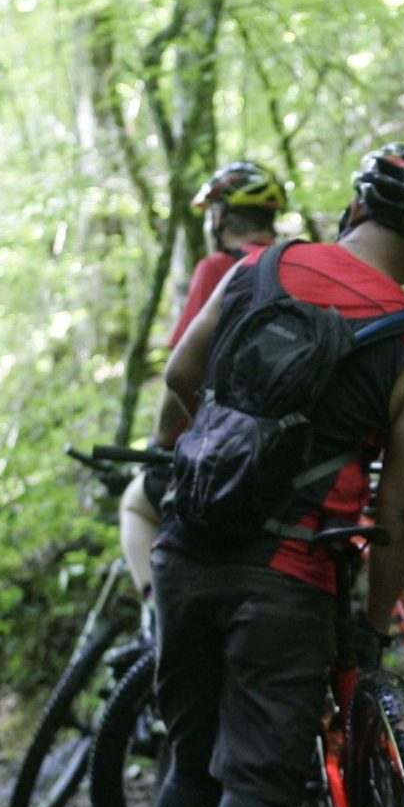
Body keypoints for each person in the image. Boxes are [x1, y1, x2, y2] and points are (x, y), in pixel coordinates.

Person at [136, 143, 404, 807]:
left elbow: (180, 378)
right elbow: (398, 504)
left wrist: (185, 482)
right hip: (288, 575)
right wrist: (368, 623)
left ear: (356, 205)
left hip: (189, 548)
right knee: (260, 775)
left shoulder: (260, 266)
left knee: (189, 756)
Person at [116, 161, 289, 596]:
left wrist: (161, 443)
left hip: (222, 455)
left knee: (136, 505)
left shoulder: (217, 269)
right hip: (288, 453)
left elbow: (183, 372)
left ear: (220, 217)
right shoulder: (296, 267)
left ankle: (155, 616)